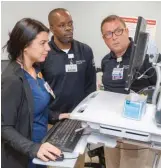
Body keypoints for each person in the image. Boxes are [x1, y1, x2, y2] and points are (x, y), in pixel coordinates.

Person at [1, 18, 62, 168]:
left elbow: (33, 108)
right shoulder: (12, 79)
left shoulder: (36, 70)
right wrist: (33, 148)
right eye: (42, 43)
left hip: (40, 149)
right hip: (24, 155)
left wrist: (57, 116)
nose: (48, 48)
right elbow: (4, 127)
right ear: (25, 45)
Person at [101, 15, 157, 168]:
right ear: (104, 38)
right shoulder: (106, 61)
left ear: (126, 31)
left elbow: (156, 90)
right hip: (111, 128)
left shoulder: (144, 57)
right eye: (108, 34)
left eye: (118, 31)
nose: (114, 37)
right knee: (112, 164)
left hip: (136, 132)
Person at [41, 8, 96, 122]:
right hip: (53, 119)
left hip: (79, 117)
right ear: (51, 28)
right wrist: (51, 116)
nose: (68, 28)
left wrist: (85, 112)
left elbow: (90, 86)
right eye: (62, 25)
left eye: (70, 23)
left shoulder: (85, 50)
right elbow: (38, 90)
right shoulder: (44, 53)